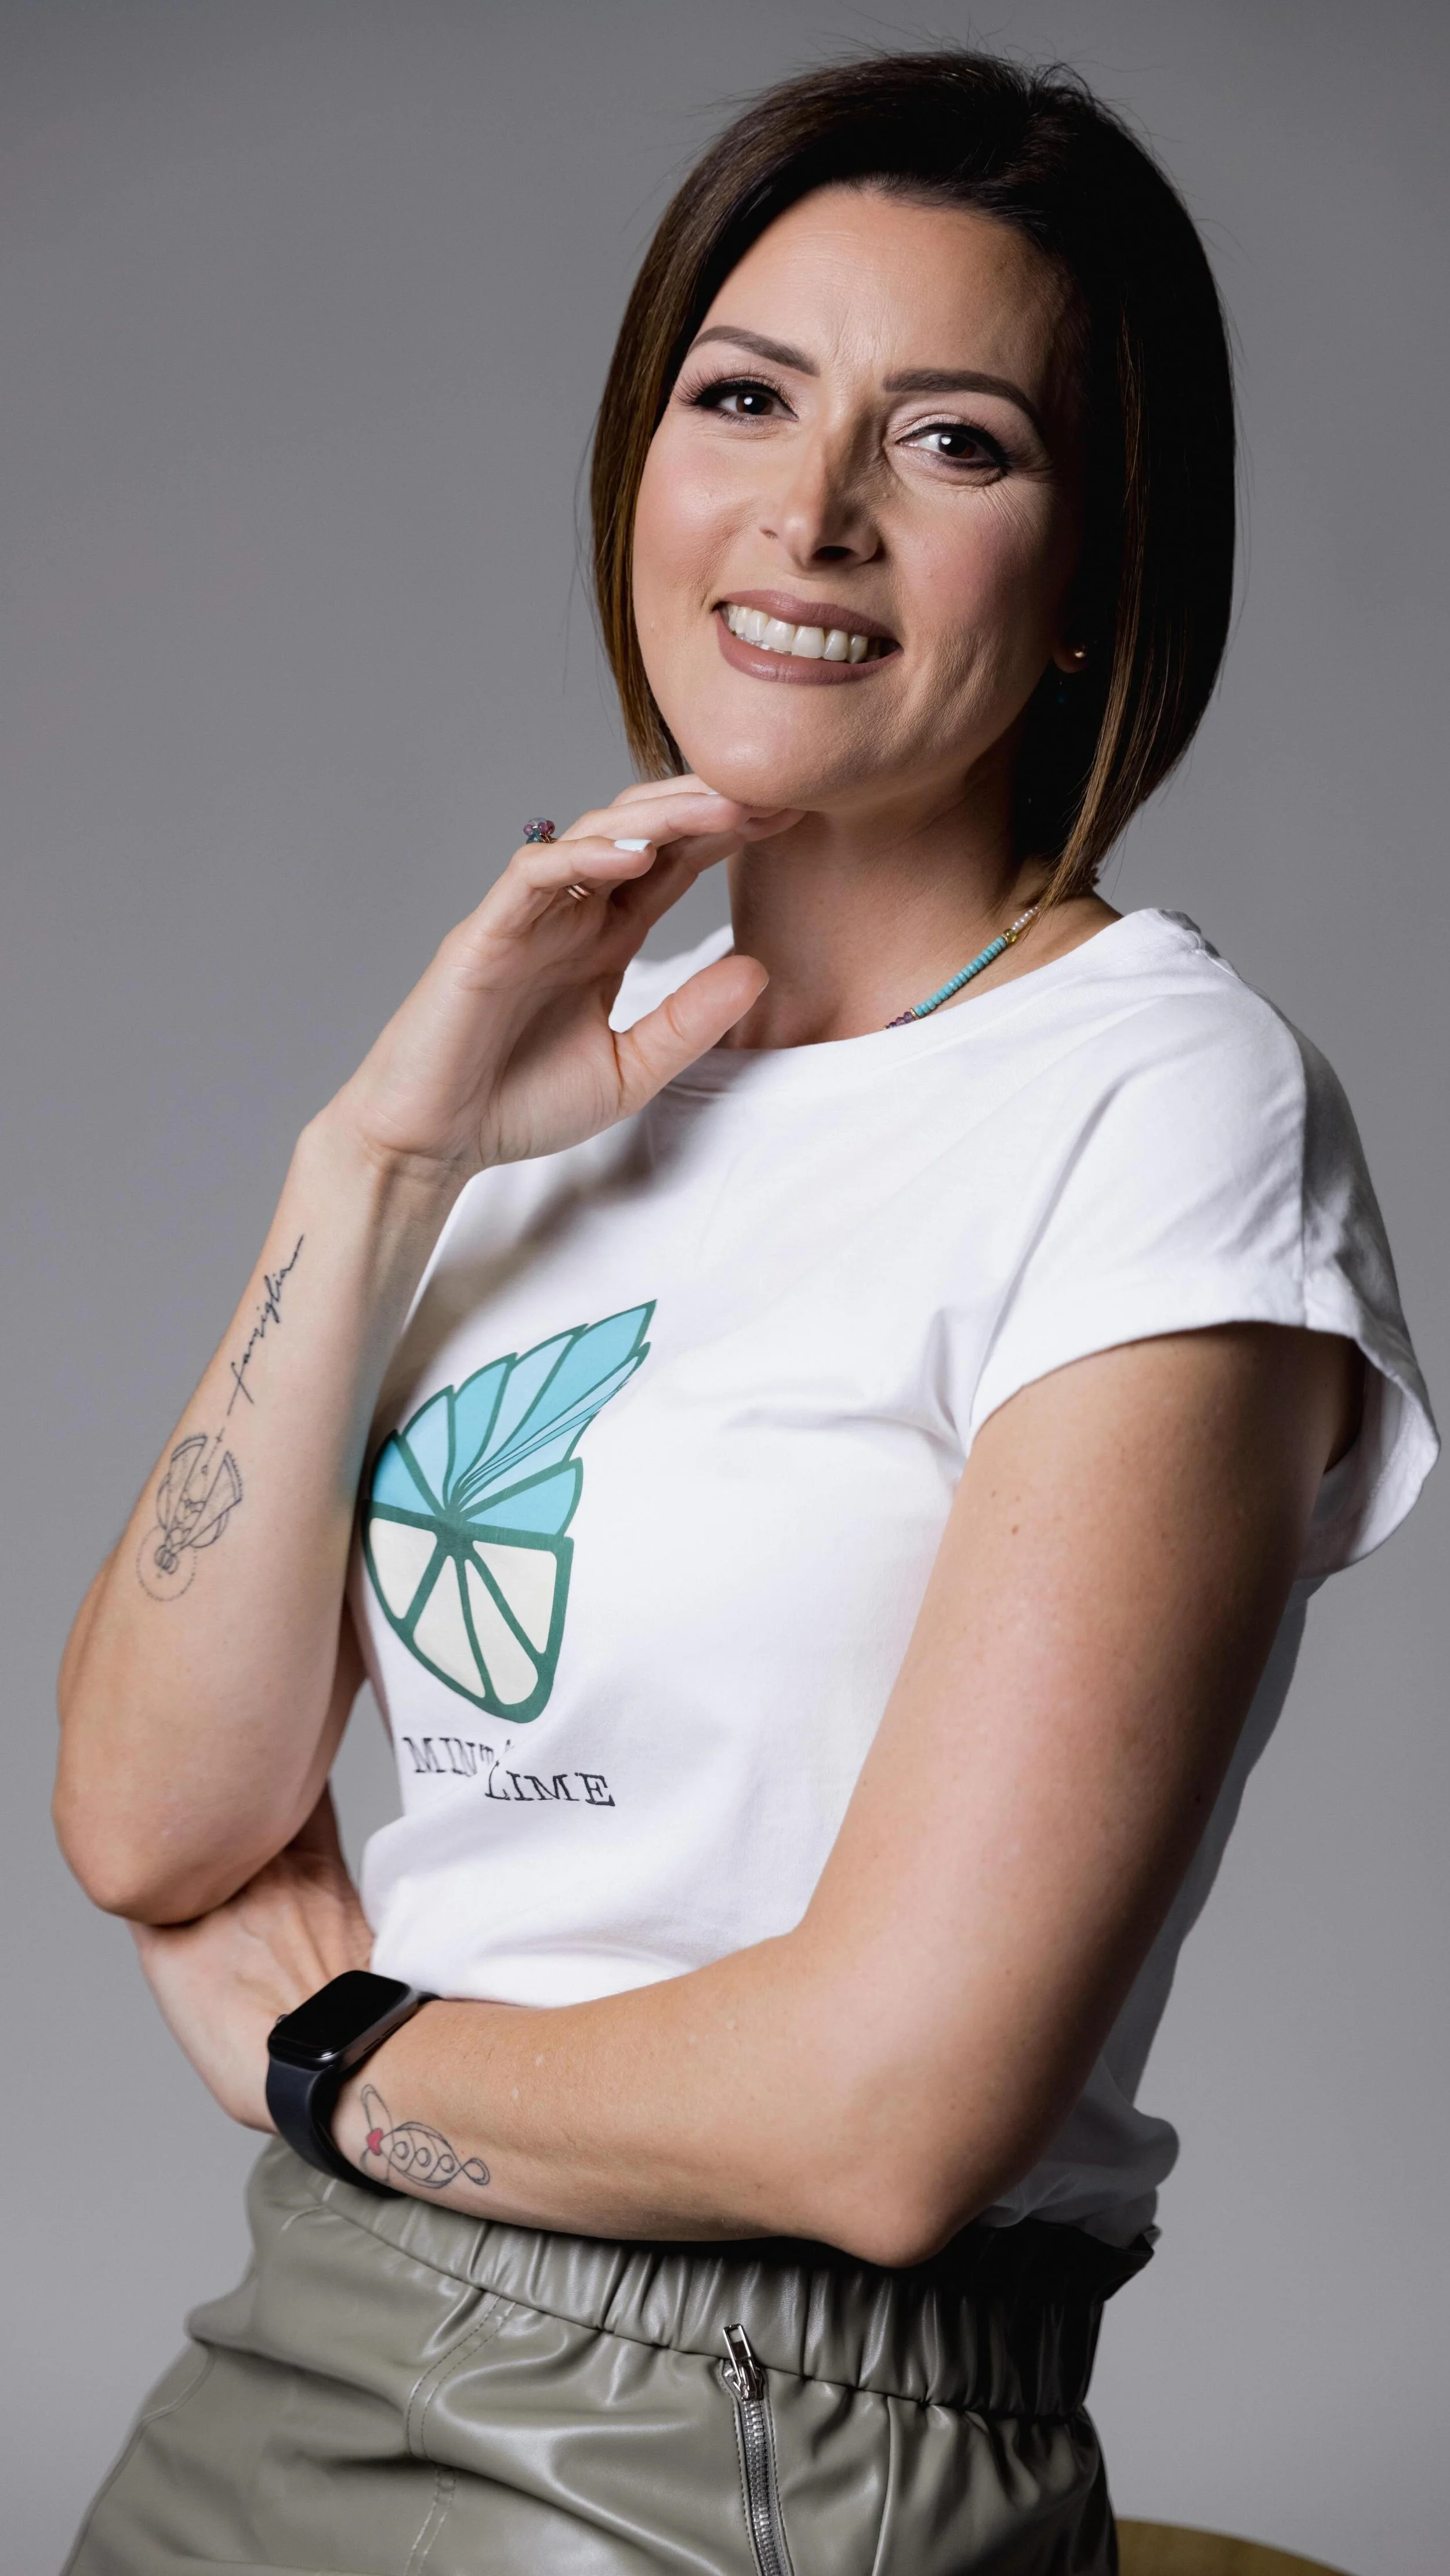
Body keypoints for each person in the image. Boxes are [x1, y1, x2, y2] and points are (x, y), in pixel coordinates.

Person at [55, 48, 1435, 2576]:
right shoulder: (572, 1065)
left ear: (1098, 574)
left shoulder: (1159, 1107)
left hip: (750, 2429)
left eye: (953, 442)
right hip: (297, 2329)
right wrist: (372, 1163)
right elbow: (153, 1819)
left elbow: (888, 2118)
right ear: (640, 463)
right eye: (743, 398)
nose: (809, 514)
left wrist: (338, 2057)